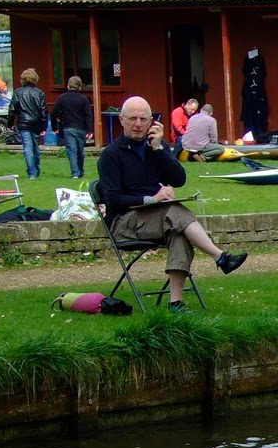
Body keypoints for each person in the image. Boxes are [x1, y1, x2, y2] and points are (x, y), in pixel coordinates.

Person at [95, 96, 247, 312]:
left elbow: (179, 179)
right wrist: (152, 199)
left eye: (143, 119)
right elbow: (113, 200)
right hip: (124, 222)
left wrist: (158, 150)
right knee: (174, 213)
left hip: (160, 217)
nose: (138, 124)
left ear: (152, 122)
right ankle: (219, 256)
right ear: (121, 120)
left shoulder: (156, 148)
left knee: (179, 232)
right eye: (132, 118)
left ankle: (175, 303)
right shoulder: (111, 155)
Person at [51, 75, 94, 180]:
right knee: (80, 150)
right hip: (81, 128)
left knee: (72, 150)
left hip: (68, 128)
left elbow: (54, 113)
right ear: (80, 87)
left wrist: (54, 127)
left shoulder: (62, 98)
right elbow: (88, 115)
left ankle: (75, 172)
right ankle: (81, 170)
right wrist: (90, 130)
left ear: (68, 86)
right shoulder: (84, 99)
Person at [11, 68, 48, 179]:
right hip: (36, 124)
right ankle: (36, 168)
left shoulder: (18, 92)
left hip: (23, 123)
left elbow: (12, 109)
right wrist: (44, 126)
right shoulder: (39, 93)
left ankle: (31, 172)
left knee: (27, 148)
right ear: (35, 79)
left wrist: (9, 124)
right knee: (35, 148)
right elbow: (44, 111)